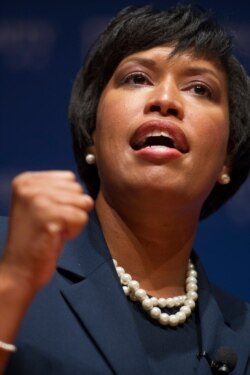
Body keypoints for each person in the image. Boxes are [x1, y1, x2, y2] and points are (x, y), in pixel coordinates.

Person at [0, 3, 250, 374]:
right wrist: (13, 283)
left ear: (227, 160)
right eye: (137, 78)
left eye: (199, 88)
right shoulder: (7, 253)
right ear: (92, 135)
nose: (165, 100)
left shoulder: (242, 335)